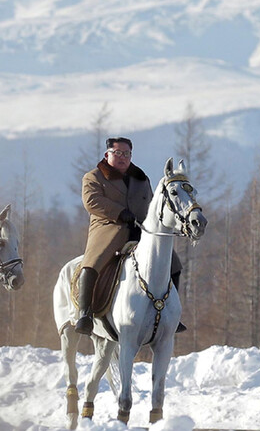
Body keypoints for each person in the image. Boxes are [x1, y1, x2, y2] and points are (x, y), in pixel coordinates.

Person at [76, 136, 184, 335]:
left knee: (174, 263)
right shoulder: (94, 177)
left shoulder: (140, 178)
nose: (123, 157)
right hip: (108, 227)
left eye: (127, 153)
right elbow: (92, 201)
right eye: (117, 153)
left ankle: (171, 313)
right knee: (93, 263)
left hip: (141, 229)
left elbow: (153, 204)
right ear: (107, 154)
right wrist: (120, 212)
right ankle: (85, 313)